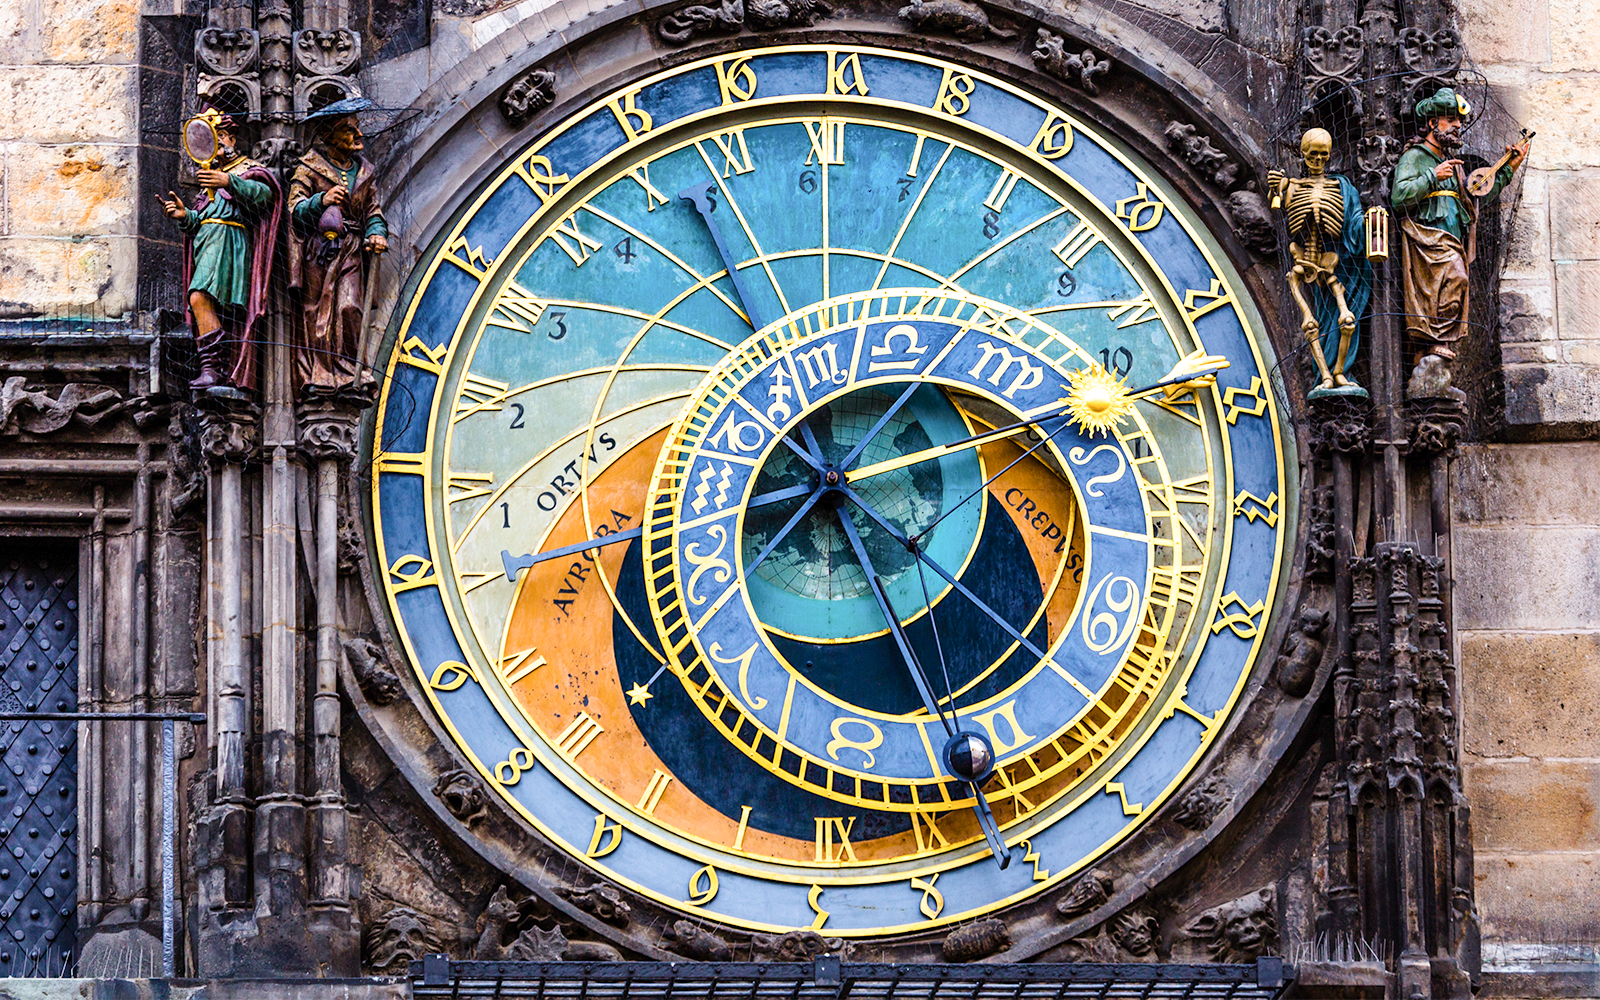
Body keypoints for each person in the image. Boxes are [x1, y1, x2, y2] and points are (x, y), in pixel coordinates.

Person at [1390, 87, 1528, 368]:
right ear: (1433, 123)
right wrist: (1432, 176)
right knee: (1453, 280)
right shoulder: (1415, 157)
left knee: (1455, 283)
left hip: (1453, 239)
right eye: (1451, 119)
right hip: (1426, 240)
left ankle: (1435, 346)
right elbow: (1398, 198)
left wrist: (1508, 169)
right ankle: (1430, 343)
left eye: (1460, 121)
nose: (1458, 126)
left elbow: (1475, 197)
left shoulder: (1453, 165)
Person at [156, 108, 281, 393]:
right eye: (213, 136)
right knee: (203, 302)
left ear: (233, 139)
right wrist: (185, 216)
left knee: (200, 297)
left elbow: (265, 197)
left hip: (230, 245)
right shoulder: (211, 178)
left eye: (222, 135)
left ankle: (214, 368)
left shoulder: (248, 170)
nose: (219, 141)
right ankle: (215, 369)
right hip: (208, 244)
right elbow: (204, 219)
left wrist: (230, 182)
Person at [288, 97, 390, 396]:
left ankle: (348, 370)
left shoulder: (365, 171)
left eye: (357, 128)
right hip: (320, 251)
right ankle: (320, 373)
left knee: (349, 306)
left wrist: (376, 232)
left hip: (352, 249)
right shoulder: (309, 168)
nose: (359, 135)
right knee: (316, 311)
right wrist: (321, 200)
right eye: (349, 130)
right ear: (329, 136)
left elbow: (373, 211)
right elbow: (294, 209)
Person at [1267, 127, 1371, 397]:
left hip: (1334, 261)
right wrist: (1276, 187)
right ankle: (1324, 374)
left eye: (1323, 155)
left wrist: (1367, 223)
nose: (1317, 160)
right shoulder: (1292, 186)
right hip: (1303, 258)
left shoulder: (1343, 188)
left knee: (1345, 318)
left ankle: (1339, 371)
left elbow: (1354, 219)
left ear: (1329, 155)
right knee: (1314, 321)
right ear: (1303, 154)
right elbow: (1278, 204)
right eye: (1312, 154)